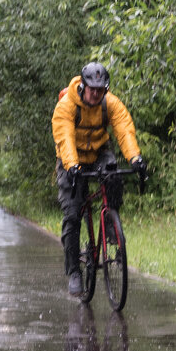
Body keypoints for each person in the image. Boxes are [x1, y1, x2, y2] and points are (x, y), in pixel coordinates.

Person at [52, 62, 147, 296]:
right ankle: (74, 271)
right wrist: (72, 165)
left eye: (100, 89)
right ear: (83, 86)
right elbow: (64, 136)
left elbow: (124, 129)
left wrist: (135, 159)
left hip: (98, 152)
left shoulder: (110, 103)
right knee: (72, 214)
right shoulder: (66, 106)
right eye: (92, 89)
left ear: (105, 89)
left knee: (113, 174)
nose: (96, 94)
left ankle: (110, 223)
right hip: (70, 159)